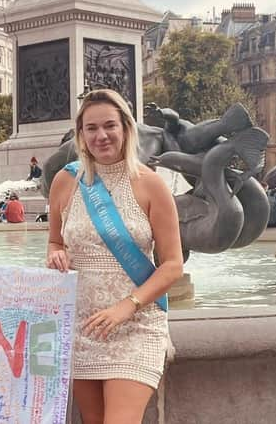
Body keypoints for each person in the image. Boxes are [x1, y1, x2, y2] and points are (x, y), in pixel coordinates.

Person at [46, 89, 183, 424]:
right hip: (84, 324)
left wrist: (127, 306)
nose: (101, 135)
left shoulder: (152, 185)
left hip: (135, 322)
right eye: (91, 128)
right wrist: (56, 253)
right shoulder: (65, 181)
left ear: (126, 128)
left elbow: (173, 265)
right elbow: (54, 241)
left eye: (109, 125)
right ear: (80, 134)